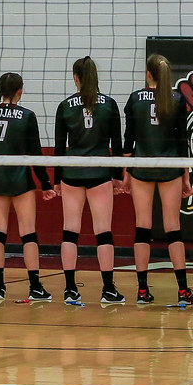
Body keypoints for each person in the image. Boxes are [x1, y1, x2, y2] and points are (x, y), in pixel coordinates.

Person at [0, 73, 57, 301]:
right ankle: (35, 287)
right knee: (28, 232)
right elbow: (35, 154)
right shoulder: (27, 116)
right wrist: (46, 184)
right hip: (20, 180)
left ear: (0, 89)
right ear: (20, 91)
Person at [121, 54, 193, 305]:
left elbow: (128, 142)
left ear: (148, 74)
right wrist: (185, 176)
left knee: (143, 227)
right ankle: (183, 290)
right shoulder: (176, 99)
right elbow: (182, 141)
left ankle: (142, 290)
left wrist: (126, 173)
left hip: (141, 166)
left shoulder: (135, 99)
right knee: (173, 227)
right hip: (170, 167)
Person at [54, 56, 126, 304]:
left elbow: (58, 148)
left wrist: (56, 181)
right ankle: (108, 289)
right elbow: (116, 145)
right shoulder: (109, 104)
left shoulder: (65, 105)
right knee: (103, 232)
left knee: (70, 231)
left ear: (76, 78)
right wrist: (118, 177)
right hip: (99, 173)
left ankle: (70, 289)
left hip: (71, 172)